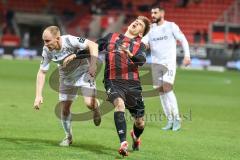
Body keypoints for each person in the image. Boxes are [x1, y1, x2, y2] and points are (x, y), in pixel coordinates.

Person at [64, 16, 150, 156]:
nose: (136, 23)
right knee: (119, 105)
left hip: (133, 84)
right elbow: (95, 47)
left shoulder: (140, 45)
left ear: (141, 33)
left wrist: (128, 53)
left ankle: (136, 137)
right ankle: (123, 143)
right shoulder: (112, 37)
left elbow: (141, 61)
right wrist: (75, 55)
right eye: (136, 21)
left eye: (140, 24)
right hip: (113, 81)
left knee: (140, 123)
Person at [33, 26, 101, 147]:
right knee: (64, 110)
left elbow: (93, 45)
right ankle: (68, 137)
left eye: (48, 41)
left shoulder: (70, 40)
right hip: (67, 79)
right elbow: (42, 72)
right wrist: (38, 95)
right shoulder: (47, 50)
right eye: (44, 41)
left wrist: (93, 65)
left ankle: (96, 109)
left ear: (57, 38)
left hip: (84, 73)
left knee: (89, 104)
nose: (45, 44)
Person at [142, 7, 191, 131]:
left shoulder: (171, 26)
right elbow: (143, 42)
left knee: (167, 88)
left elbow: (183, 40)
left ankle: (177, 119)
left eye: (155, 12)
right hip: (156, 64)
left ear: (162, 13)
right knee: (161, 92)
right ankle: (170, 119)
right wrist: (144, 45)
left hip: (168, 63)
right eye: (151, 13)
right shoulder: (150, 30)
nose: (152, 15)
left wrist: (187, 56)